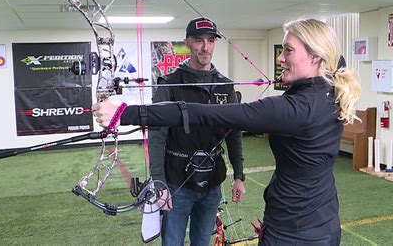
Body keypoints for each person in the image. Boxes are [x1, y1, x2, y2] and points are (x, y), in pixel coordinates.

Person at [92, 18, 361, 245]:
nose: (280, 57)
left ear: (316, 57)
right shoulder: (330, 91)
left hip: (294, 231)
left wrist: (122, 113)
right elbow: (338, 60)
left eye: (288, 51)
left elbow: (202, 114)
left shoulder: (296, 108)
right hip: (322, 221)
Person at [148, 16, 246, 246]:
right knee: (172, 241)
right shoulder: (170, 84)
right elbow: (157, 137)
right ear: (188, 43)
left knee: (202, 241)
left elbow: (234, 134)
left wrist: (239, 176)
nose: (205, 47)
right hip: (176, 183)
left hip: (212, 183)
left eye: (210, 40)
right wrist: (159, 183)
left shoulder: (225, 85)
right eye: (199, 40)